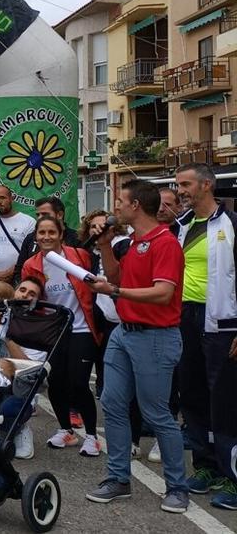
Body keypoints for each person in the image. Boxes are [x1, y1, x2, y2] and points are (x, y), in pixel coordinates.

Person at [85, 179, 189, 514]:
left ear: (136, 206)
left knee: (156, 412)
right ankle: (118, 478)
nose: (114, 207)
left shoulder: (165, 243)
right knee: (113, 404)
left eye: (119, 201)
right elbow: (118, 279)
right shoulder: (131, 242)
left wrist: (117, 294)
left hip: (156, 335)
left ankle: (177, 487)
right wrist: (103, 246)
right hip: (124, 333)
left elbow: (163, 293)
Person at [172, 163, 237, 506]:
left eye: (185, 184)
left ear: (207, 185)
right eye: (177, 184)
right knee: (192, 394)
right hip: (185, 318)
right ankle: (206, 465)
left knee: (226, 400)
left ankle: (233, 477)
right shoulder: (181, 226)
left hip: (222, 323)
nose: (180, 190)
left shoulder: (231, 223)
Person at [20, 214, 102, 456]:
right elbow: (29, 295)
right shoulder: (31, 264)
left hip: (82, 328)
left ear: (61, 234)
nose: (46, 237)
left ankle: (91, 436)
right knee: (55, 382)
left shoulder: (79, 256)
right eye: (42, 233)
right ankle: (66, 430)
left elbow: (95, 286)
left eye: (51, 232)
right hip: (54, 331)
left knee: (78, 382)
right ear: (36, 236)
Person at [12, 196, 80, 286]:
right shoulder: (30, 239)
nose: (40, 218)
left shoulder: (77, 238)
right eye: (38, 215)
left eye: (45, 214)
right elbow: (19, 270)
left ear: (59, 215)